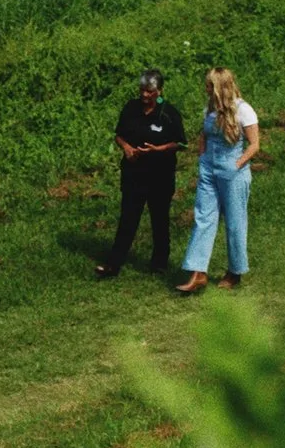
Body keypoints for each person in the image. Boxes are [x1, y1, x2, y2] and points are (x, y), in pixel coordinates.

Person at [97, 68, 187, 278]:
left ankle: (159, 263)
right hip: (133, 173)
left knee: (159, 219)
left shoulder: (169, 113)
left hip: (160, 175)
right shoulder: (131, 108)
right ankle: (114, 263)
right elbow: (118, 135)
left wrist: (159, 150)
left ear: (160, 91)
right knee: (128, 218)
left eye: (149, 92)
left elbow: (181, 143)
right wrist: (126, 147)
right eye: (142, 91)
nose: (145, 96)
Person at [176, 67, 258, 295]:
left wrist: (238, 164)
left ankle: (235, 271)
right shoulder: (209, 109)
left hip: (233, 172)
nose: (206, 89)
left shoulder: (244, 110)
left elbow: (254, 144)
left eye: (210, 85)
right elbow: (203, 135)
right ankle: (197, 272)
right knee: (203, 218)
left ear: (221, 86)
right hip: (209, 171)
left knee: (235, 222)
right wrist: (202, 159)